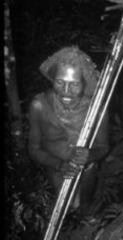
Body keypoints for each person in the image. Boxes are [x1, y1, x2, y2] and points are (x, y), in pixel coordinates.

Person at [28, 46, 109, 209]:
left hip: (87, 172)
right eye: (60, 82)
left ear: (84, 83)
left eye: (74, 84)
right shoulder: (40, 106)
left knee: (82, 208)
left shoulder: (96, 110)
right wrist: (58, 165)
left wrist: (90, 155)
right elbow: (33, 149)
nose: (65, 91)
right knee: (65, 209)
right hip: (55, 169)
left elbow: (104, 147)